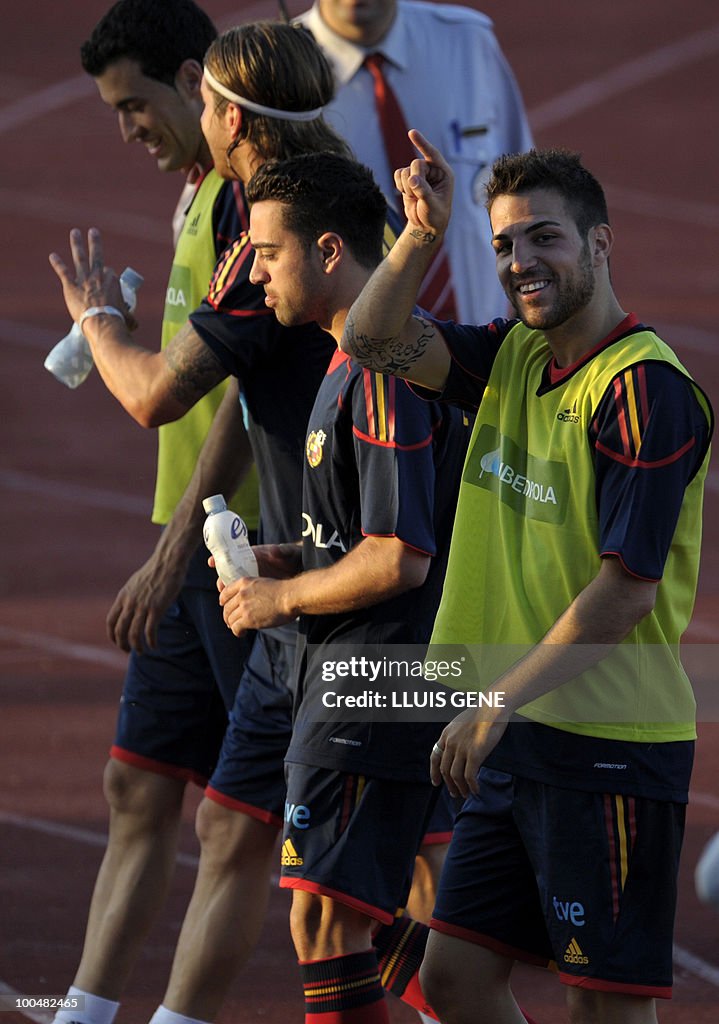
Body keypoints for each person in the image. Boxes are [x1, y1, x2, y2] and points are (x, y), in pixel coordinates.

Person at [50, 24, 455, 1024]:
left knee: (384, 885)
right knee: (272, 860)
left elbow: (162, 399)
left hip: (347, 612)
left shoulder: (297, 253)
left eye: (271, 260)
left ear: (225, 109)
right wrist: (192, 544)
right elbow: (241, 394)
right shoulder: (274, 219)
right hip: (288, 574)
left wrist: (98, 321)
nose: (260, 274)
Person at [340, 132, 713, 1023]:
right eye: (503, 244)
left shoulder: (642, 391)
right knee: (456, 977)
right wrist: (419, 234)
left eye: (543, 237)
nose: (519, 262)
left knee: (605, 1006)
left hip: (606, 744)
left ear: (598, 243)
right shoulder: (509, 357)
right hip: (516, 732)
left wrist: (494, 701)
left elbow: (625, 592)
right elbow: (368, 339)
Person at [219, 149, 472, 1024]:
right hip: (373, 676)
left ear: (329, 251)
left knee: (326, 921)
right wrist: (290, 558)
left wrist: (277, 602)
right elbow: (364, 536)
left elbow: (401, 554)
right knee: (347, 919)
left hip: (376, 680)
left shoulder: (375, 373)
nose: (253, 273)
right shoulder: (345, 361)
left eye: (266, 251)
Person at [50, 4, 260, 1023]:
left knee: (262, 827)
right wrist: (120, 333)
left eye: (136, 103)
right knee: (135, 788)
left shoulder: (248, 207)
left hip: (238, 560)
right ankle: (86, 1013)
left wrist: (96, 325)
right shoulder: (198, 198)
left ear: (193, 78)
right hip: (182, 550)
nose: (127, 127)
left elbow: (247, 401)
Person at [296, 0, 533, 323]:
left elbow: (521, 182)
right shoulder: (282, 67)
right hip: (361, 354)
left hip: (485, 336)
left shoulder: (467, 41)